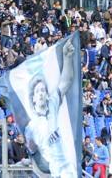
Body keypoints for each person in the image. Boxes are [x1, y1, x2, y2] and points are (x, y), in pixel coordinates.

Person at [23, 38, 76, 178]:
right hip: (49, 172)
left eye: (43, 90)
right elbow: (33, 152)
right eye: (37, 91)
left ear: (47, 95)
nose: (41, 94)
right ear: (33, 98)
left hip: (67, 169)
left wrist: (67, 57)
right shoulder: (31, 126)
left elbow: (66, 81)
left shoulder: (53, 104)